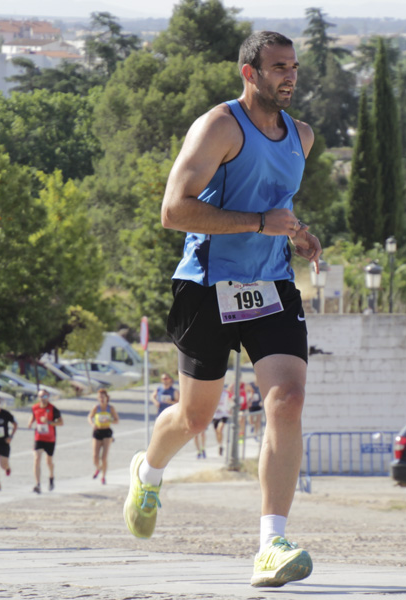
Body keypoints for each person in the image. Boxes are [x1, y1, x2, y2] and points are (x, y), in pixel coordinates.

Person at [123, 32, 321, 589]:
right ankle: (150, 469)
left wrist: (298, 234)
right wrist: (260, 225)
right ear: (249, 73)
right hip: (207, 286)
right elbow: (173, 210)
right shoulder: (220, 127)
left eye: (294, 68)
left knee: (287, 399)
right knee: (194, 418)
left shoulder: (300, 136)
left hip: (271, 286)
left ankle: (270, 543)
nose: (289, 77)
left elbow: (275, 203)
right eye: (279, 67)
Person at [29, 389, 63, 494]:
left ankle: (51, 476)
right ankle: (38, 484)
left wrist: (49, 422)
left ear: (48, 397)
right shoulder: (35, 407)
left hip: (50, 438)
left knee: (48, 462)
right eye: (40, 396)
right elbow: (34, 416)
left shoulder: (53, 409)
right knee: (37, 458)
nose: (42, 398)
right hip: (39, 437)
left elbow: (61, 423)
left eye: (44, 396)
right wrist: (30, 423)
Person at [87, 388, 119, 484]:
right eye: (99, 397)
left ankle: (103, 476)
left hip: (107, 432)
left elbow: (117, 420)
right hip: (97, 432)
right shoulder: (96, 408)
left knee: (104, 457)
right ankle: (98, 468)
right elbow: (89, 417)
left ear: (106, 398)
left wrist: (109, 421)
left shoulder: (110, 408)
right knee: (95, 456)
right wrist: (92, 424)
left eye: (103, 397)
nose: (101, 399)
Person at [211, 385, 232, 457]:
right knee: (216, 432)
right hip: (216, 415)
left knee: (220, 430)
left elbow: (231, 400)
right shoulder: (213, 393)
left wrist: (231, 409)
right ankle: (220, 445)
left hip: (224, 414)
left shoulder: (225, 394)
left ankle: (220, 444)